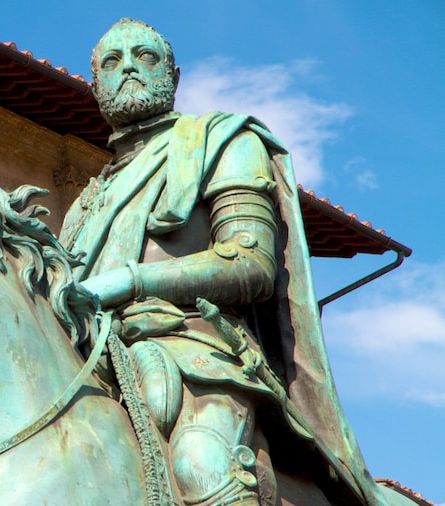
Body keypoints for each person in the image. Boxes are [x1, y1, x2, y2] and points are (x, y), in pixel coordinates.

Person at [60, 18, 387, 506]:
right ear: (96, 86)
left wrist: (129, 283)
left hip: (198, 354)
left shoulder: (222, 141)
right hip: (94, 359)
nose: (127, 66)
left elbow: (251, 263)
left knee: (201, 465)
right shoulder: (83, 206)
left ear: (173, 74)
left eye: (145, 57)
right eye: (112, 61)